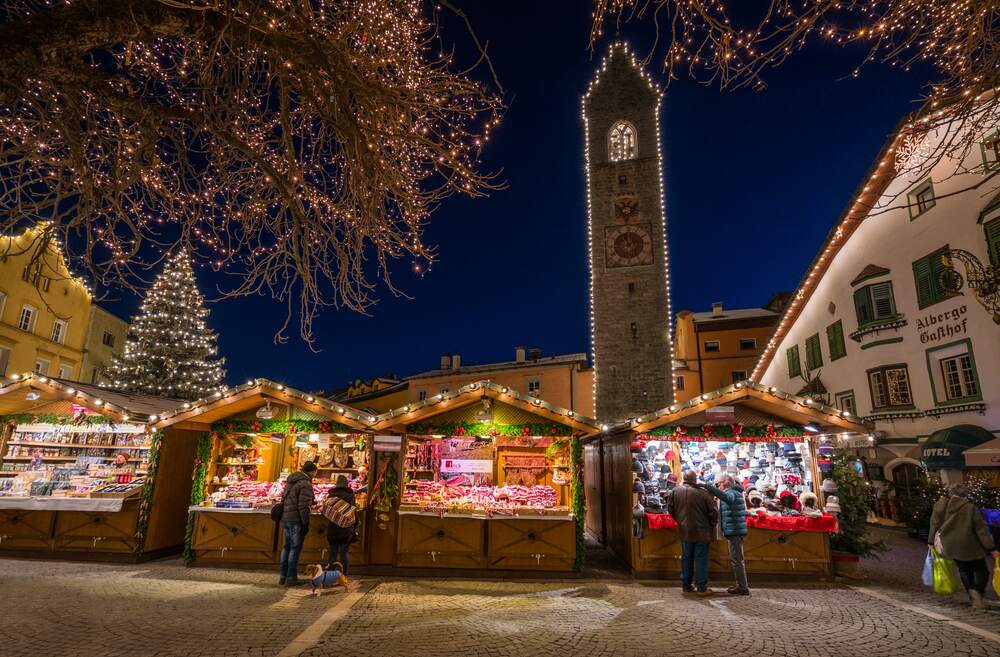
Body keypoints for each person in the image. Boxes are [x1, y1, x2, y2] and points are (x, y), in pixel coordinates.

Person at [929, 484, 999, 609]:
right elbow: (980, 529)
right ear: (964, 495)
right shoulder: (970, 508)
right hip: (970, 544)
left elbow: (934, 524)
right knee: (982, 570)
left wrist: (930, 541)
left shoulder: (940, 506)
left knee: (964, 570)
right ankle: (976, 590)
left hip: (950, 543)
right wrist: (991, 547)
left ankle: (972, 596)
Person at [667, 469, 718, 595]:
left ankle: (686, 586)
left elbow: (670, 509)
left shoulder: (675, 491)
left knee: (686, 559)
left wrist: (679, 521)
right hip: (702, 532)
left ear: (684, 478)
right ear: (695, 480)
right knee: (701, 560)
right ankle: (701, 588)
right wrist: (711, 524)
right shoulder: (704, 493)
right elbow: (714, 512)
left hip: (684, 531)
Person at [702, 474, 750, 596]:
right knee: (736, 559)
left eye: (719, 484)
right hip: (734, 531)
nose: (718, 486)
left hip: (735, 531)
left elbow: (727, 498)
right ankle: (740, 585)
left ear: (727, 483)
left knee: (737, 560)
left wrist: (708, 487)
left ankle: (743, 587)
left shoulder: (732, 492)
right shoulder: (734, 491)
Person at [279, 461, 317, 586]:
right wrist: (305, 523)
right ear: (311, 472)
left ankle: (283, 576)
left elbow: (285, 498)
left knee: (287, 547)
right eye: (315, 472)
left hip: (286, 518)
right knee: (295, 548)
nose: (315, 474)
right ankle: (291, 578)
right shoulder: (305, 484)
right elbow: (303, 506)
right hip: (296, 520)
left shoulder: (290, 481)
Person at [324, 475, 357, 575]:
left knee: (332, 553)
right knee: (344, 553)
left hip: (333, 528)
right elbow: (353, 510)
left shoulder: (331, 495)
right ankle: (343, 575)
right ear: (346, 483)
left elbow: (325, 511)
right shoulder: (350, 495)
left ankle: (330, 575)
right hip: (345, 529)